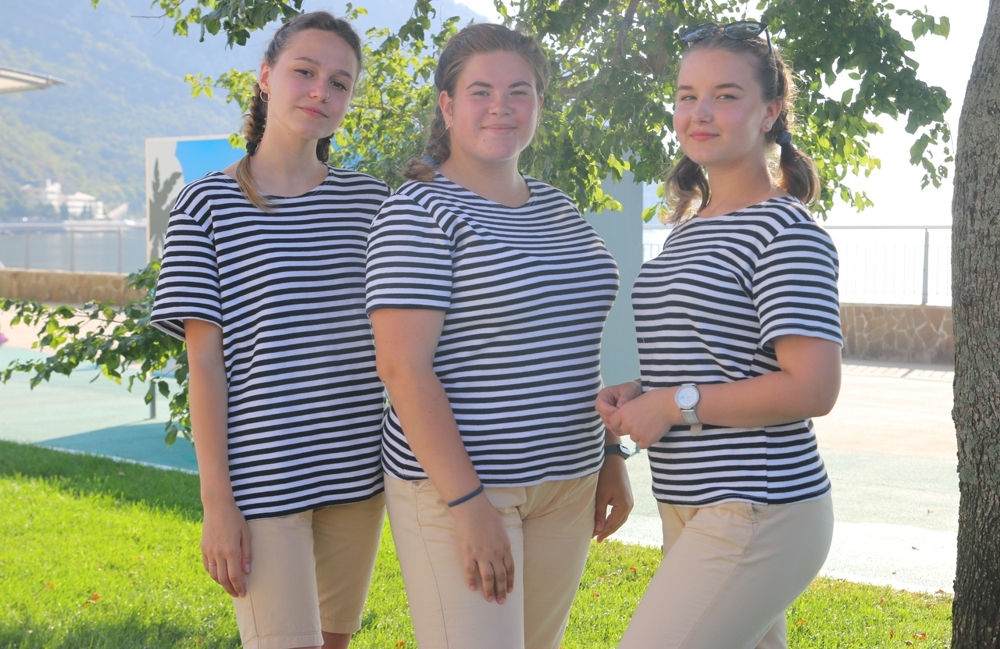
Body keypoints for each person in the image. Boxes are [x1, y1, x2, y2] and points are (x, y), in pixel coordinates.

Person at [364, 22, 634, 649]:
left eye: (519, 92)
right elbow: (403, 369)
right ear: (448, 106)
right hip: (466, 489)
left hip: (569, 484)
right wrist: (467, 504)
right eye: (481, 91)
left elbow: (572, 343)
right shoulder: (417, 213)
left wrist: (610, 456)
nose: (501, 107)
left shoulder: (558, 209)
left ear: (538, 104)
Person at [598, 20, 842, 649]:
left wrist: (673, 404)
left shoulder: (786, 233)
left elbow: (813, 388)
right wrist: (643, 391)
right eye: (687, 96)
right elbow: (718, 358)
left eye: (725, 96)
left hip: (757, 505)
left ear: (771, 112)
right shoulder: (689, 228)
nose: (699, 113)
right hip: (690, 500)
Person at [150, 12, 390, 649]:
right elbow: (204, 366)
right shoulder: (205, 204)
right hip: (261, 481)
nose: (320, 91)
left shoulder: (374, 204)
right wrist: (217, 504)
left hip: (359, 475)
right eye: (304, 72)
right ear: (265, 77)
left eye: (339, 82)